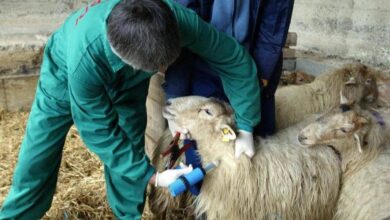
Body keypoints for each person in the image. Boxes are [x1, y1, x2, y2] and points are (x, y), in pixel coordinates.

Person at [0, 0, 260, 219]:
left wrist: (246, 125)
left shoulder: (173, 20)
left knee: (131, 144)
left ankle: (128, 216)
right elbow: (98, 130)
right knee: (38, 153)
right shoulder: (84, 61)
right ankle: (18, 214)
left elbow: (232, 58)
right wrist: (154, 178)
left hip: (129, 86)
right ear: (125, 58)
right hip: (63, 78)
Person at [164, 0, 295, 137]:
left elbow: (273, 29)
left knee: (259, 144)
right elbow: (183, 33)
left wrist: (259, 79)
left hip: (254, 69)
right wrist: (175, 96)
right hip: (204, 69)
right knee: (202, 145)